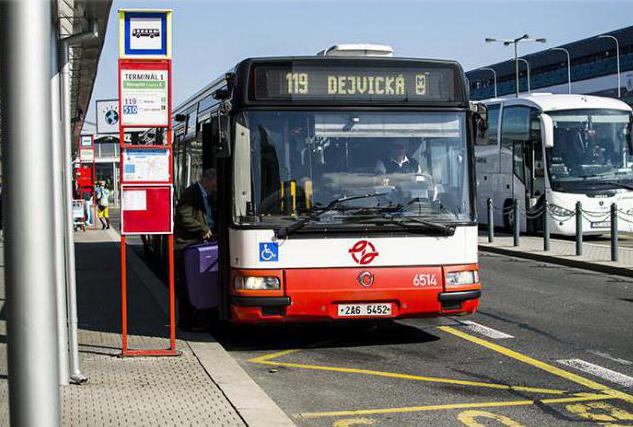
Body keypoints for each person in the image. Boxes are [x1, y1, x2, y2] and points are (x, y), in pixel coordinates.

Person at [174, 168, 217, 331]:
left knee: (199, 285)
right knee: (187, 286)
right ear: (207, 180)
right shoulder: (191, 194)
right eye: (214, 184)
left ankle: (199, 321)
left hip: (197, 244)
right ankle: (186, 323)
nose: (215, 188)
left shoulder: (206, 194)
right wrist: (203, 229)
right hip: (186, 246)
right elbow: (185, 217)